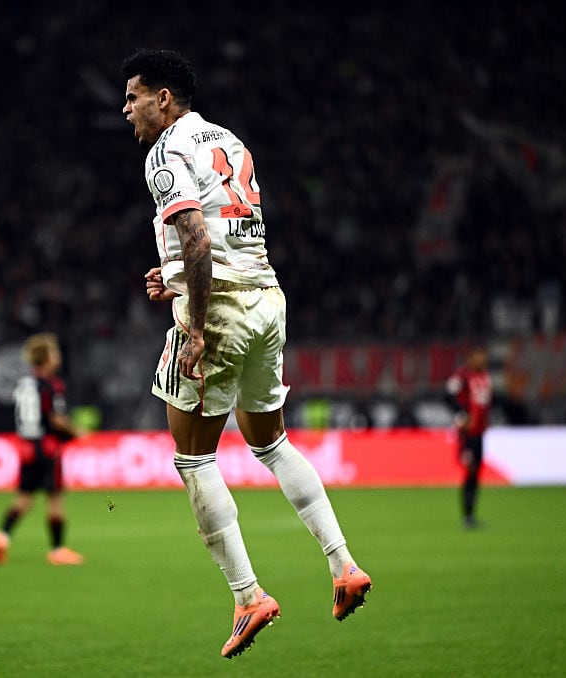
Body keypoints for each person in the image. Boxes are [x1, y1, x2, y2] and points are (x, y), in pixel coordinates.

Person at [121, 48, 371, 659]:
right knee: (272, 442)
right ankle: (343, 566)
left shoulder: (165, 151)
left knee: (194, 459)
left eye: (133, 97)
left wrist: (197, 323)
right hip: (266, 297)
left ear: (163, 98)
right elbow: (226, 231)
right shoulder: (231, 141)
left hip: (221, 309)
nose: (125, 110)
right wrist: (175, 275)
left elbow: (199, 235)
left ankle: (247, 595)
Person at [0, 333, 85, 566]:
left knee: (24, 499)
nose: (58, 357)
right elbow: (56, 419)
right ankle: (57, 550)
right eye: (54, 352)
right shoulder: (51, 385)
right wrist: (76, 431)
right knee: (55, 500)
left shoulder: (24, 384)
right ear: (45, 358)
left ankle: (2, 536)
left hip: (26, 448)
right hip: (48, 448)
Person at [445, 346, 493, 528]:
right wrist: (462, 416)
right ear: (471, 357)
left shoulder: (485, 376)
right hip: (467, 433)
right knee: (470, 470)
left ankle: (471, 515)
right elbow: (447, 396)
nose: (481, 360)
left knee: (476, 471)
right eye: (478, 356)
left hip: (480, 432)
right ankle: (467, 515)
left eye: (483, 356)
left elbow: (485, 402)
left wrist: (487, 418)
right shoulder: (462, 376)